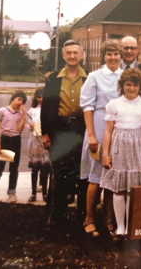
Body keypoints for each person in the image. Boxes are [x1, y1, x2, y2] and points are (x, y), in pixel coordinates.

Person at [101, 68, 141, 240]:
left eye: (135, 85)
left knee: (133, 190)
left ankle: (131, 226)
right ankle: (120, 227)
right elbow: (108, 131)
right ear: (122, 86)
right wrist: (106, 154)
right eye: (128, 85)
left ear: (140, 86)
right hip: (119, 146)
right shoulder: (114, 104)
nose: (131, 88)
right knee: (119, 189)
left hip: (137, 147)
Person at [41, 39, 88, 223]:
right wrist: (46, 133)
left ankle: (83, 216)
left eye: (75, 52)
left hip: (81, 128)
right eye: (68, 53)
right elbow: (46, 107)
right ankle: (59, 216)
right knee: (60, 174)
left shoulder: (89, 77)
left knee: (82, 174)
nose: (72, 56)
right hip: (60, 129)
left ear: (81, 55)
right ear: (63, 55)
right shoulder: (53, 78)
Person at [80, 40, 123, 237]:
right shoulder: (94, 76)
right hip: (98, 127)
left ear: (121, 56)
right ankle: (89, 218)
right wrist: (91, 134)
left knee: (113, 177)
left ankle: (109, 219)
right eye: (109, 54)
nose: (113, 57)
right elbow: (87, 107)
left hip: (120, 129)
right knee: (96, 177)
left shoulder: (125, 77)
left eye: (116, 54)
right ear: (103, 56)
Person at [0, 90, 27, 203]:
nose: (20, 103)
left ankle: (12, 192)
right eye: (19, 99)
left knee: (14, 169)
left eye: (23, 101)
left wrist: (23, 116)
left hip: (15, 140)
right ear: (13, 99)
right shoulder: (3, 111)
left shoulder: (19, 113)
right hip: (5, 140)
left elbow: (20, 130)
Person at [27, 87, 50, 202]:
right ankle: (33, 193)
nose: (41, 99)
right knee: (35, 168)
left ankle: (45, 193)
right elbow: (29, 126)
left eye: (43, 96)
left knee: (45, 167)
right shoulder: (32, 110)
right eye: (39, 97)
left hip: (45, 140)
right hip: (35, 141)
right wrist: (30, 126)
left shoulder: (50, 110)